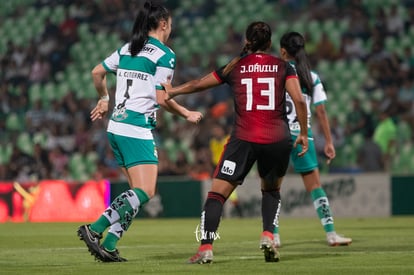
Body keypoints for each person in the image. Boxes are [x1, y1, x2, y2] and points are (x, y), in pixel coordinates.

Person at [163, 21, 309, 263]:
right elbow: (300, 102)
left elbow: (199, 84)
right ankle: (267, 236)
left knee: (217, 195)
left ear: (247, 42)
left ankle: (206, 248)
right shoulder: (284, 67)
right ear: (270, 43)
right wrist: (302, 132)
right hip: (278, 138)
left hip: (244, 138)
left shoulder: (235, 66)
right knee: (271, 191)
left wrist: (174, 90)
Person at [77, 1, 203, 263]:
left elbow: (97, 72)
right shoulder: (164, 54)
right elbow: (162, 98)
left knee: (136, 193)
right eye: (171, 24)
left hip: (116, 127)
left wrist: (103, 98)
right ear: (164, 24)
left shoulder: (127, 48)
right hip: (135, 128)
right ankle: (95, 228)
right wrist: (187, 113)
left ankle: (110, 245)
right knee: (145, 192)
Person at [273, 31, 352, 247]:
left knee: (273, 188)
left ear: (282, 51)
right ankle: (331, 234)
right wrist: (328, 141)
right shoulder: (311, 76)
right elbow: (321, 112)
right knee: (315, 186)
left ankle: (274, 236)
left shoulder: (275, 74)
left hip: (277, 135)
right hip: (302, 135)